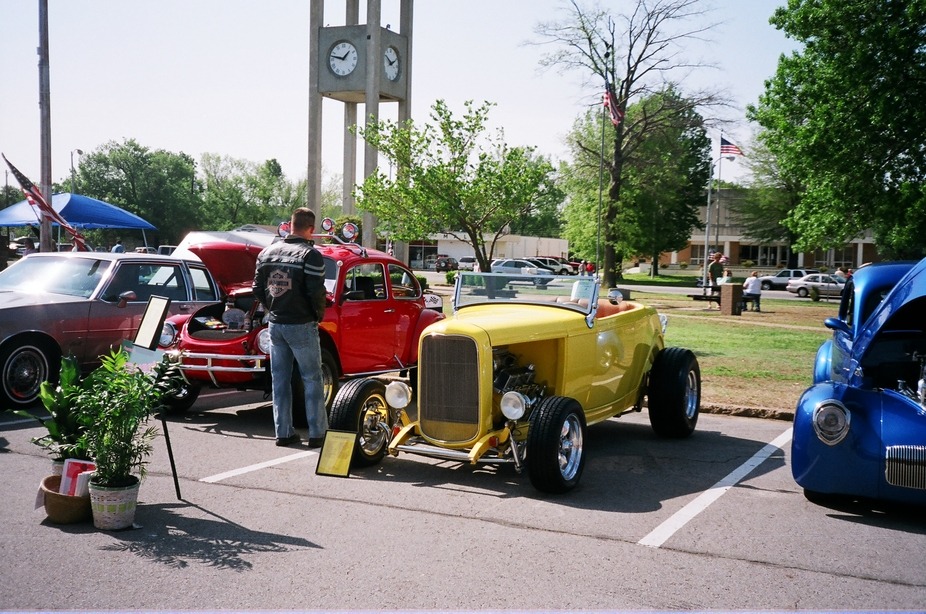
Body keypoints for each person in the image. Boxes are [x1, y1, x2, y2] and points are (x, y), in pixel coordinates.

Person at [253, 208, 329, 448]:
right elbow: (316, 292)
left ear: (289, 225)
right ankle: (317, 433)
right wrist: (317, 315)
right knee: (312, 378)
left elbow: (257, 288)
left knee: (280, 379)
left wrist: (271, 308)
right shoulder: (311, 255)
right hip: (302, 323)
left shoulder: (266, 253)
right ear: (311, 230)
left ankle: (283, 433)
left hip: (276, 323)